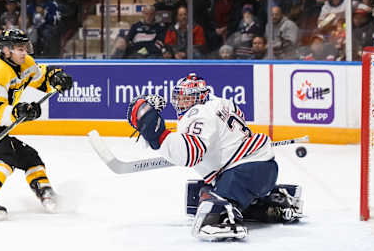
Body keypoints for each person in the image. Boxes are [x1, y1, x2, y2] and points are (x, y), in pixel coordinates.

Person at [126, 73, 303, 240]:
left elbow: (191, 153)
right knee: (199, 194)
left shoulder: (198, 113)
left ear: (200, 96)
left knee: (211, 209)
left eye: (187, 97)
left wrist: (158, 135)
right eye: (179, 97)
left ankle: (226, 219)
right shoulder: (222, 103)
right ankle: (274, 200)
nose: (181, 102)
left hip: (243, 172)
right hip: (262, 169)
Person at [0, 29, 73, 220]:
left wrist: (55, 77)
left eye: (25, 47)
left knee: (30, 157)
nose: (24, 53)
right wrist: (21, 112)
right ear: (6, 50)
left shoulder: (26, 62)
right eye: (19, 49)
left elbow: (42, 77)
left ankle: (45, 192)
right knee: (4, 156)